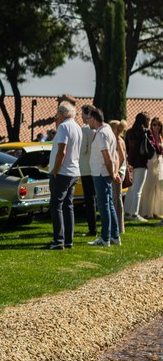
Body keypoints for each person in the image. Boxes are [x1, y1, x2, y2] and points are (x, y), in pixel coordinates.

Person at [46, 101, 82, 250]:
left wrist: (55, 169)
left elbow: (62, 150)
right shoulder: (77, 127)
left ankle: (58, 240)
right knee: (68, 206)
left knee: (56, 206)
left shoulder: (63, 127)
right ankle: (68, 240)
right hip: (74, 171)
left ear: (61, 114)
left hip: (62, 171)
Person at [87, 107, 120, 247]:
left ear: (94, 119)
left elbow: (107, 157)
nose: (87, 121)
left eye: (89, 119)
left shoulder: (101, 134)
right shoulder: (108, 130)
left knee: (104, 206)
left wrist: (112, 174)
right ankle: (115, 236)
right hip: (103, 172)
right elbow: (114, 155)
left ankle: (105, 238)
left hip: (101, 173)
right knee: (109, 205)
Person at [123, 111, 152, 222]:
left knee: (130, 189)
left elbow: (126, 147)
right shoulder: (145, 132)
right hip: (141, 163)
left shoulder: (129, 132)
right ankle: (134, 214)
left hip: (131, 162)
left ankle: (126, 212)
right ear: (146, 121)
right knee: (138, 190)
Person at [78, 104, 97, 237]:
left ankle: (92, 229)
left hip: (86, 168)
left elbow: (82, 149)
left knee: (89, 200)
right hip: (95, 167)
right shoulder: (97, 129)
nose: (81, 116)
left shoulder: (84, 129)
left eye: (82, 114)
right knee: (95, 199)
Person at [138, 116, 163, 219]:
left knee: (158, 188)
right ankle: (146, 212)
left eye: (158, 125)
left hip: (159, 164)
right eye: (154, 124)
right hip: (151, 163)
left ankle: (156, 211)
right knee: (149, 188)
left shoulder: (161, 137)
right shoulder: (149, 135)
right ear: (151, 125)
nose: (156, 127)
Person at [110, 119, 127, 235]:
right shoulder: (119, 140)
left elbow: (120, 157)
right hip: (119, 172)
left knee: (117, 199)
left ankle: (119, 227)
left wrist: (115, 172)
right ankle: (118, 226)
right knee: (116, 199)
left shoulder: (118, 141)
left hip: (118, 173)